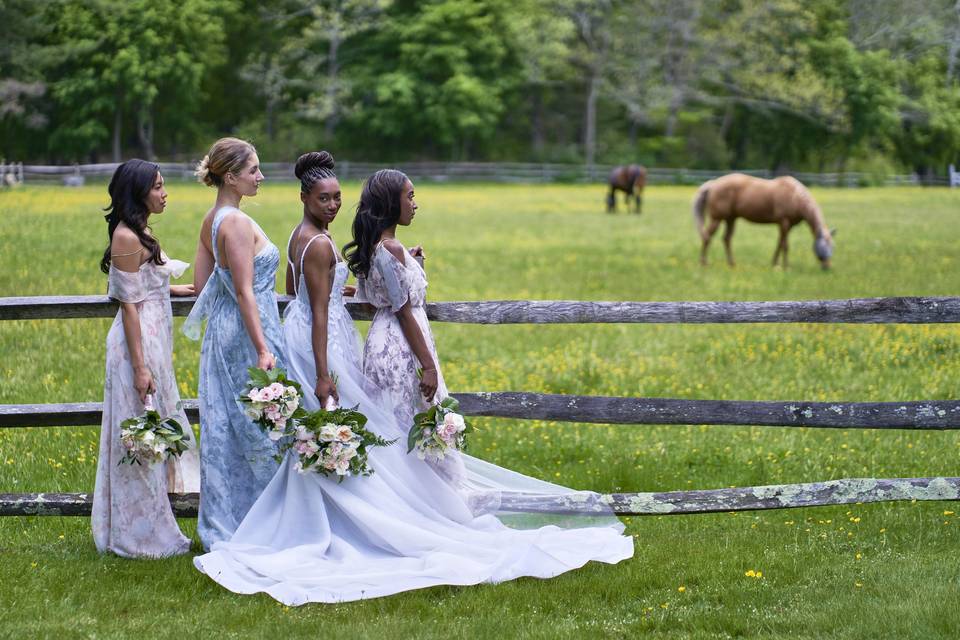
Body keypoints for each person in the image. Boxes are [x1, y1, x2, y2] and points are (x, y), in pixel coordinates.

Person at [192, 163, 633, 605]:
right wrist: (326, 370)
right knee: (359, 430)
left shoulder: (298, 236)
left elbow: (307, 291)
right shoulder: (323, 243)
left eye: (337, 197)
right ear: (306, 199)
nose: (333, 205)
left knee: (341, 429)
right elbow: (323, 307)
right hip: (324, 338)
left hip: (304, 329)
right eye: (324, 198)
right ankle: (375, 517)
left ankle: (334, 511)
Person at [91, 159, 199, 558]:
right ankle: (137, 534)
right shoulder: (125, 236)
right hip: (135, 346)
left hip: (153, 339)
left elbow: (145, 284)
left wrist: (176, 288)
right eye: (157, 186)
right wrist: (140, 367)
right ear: (138, 193)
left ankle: (154, 522)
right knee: (141, 435)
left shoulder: (142, 233)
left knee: (155, 432)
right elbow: (129, 304)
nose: (164, 192)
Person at [183, 137, 285, 550]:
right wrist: (262, 348)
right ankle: (269, 520)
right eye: (253, 170)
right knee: (263, 426)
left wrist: (161, 285)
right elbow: (243, 291)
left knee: (230, 426)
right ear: (231, 176)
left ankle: (237, 517)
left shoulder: (212, 219)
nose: (260, 177)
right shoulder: (237, 224)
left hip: (221, 334)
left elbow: (201, 285)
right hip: (248, 329)